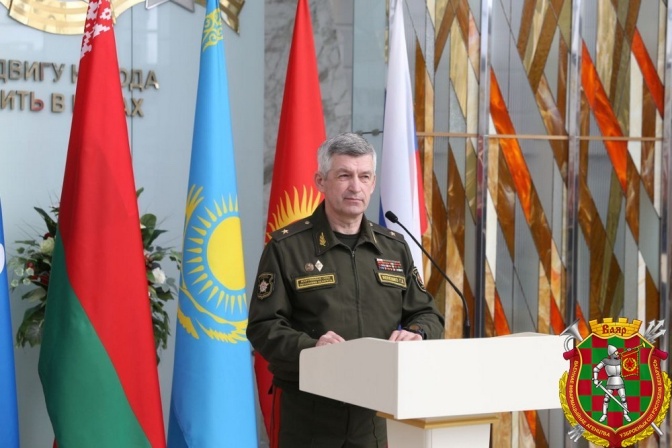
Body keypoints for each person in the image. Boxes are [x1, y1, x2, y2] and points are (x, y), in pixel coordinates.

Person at [247, 132, 445, 447]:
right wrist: (311, 347)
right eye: (344, 175)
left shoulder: (393, 248)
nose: (355, 186)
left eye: (364, 176)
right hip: (310, 414)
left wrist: (417, 332)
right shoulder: (287, 248)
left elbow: (427, 314)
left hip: (375, 413)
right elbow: (263, 326)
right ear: (321, 181)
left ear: (373, 183)